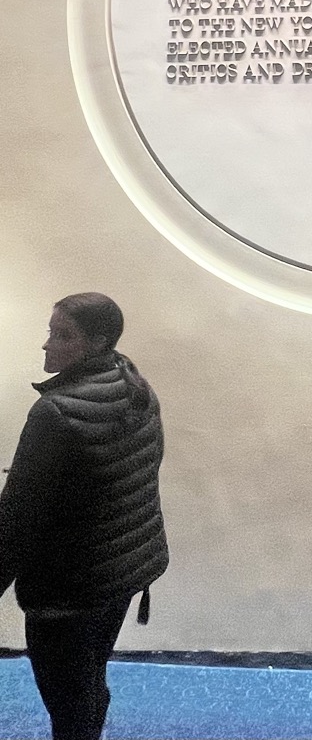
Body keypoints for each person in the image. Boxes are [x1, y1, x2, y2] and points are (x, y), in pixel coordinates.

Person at [0, 293, 169, 740]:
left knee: (68, 700)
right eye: (50, 332)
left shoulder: (54, 413)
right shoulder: (132, 381)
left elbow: (14, 523)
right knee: (89, 681)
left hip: (69, 590)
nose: (46, 345)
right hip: (122, 570)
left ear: (98, 342)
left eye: (62, 336)